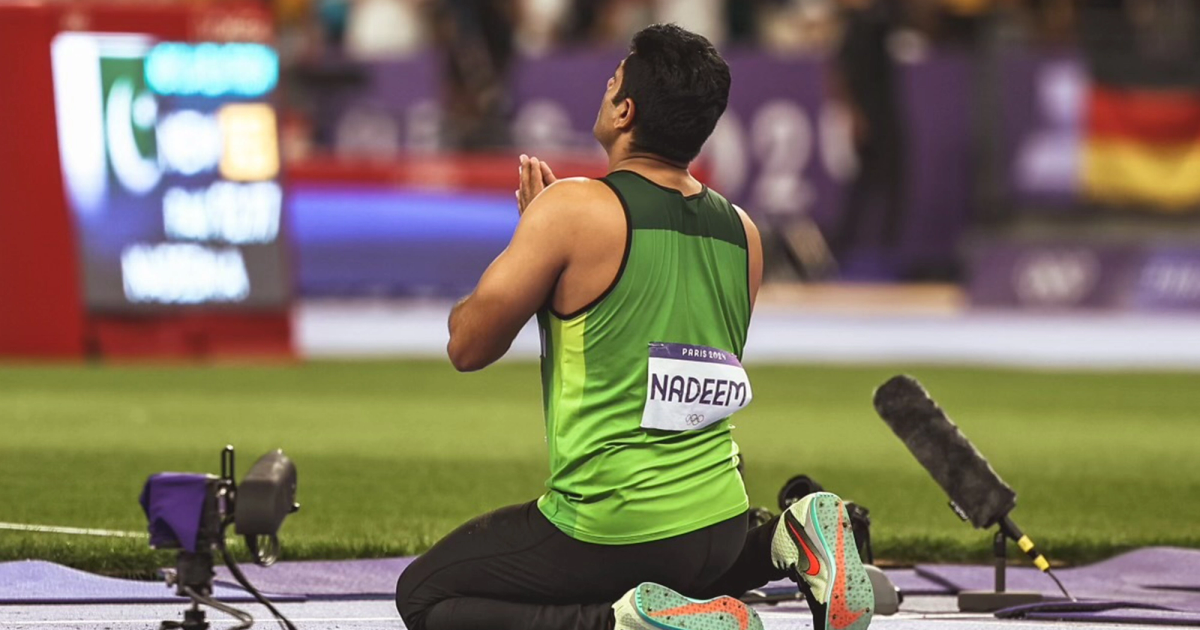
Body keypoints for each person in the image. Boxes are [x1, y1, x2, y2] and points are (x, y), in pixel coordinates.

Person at [395, 23, 874, 630]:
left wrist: (535, 234)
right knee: (678, 557)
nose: (604, 88)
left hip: (609, 526)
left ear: (625, 111)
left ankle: (621, 624)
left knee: (424, 596)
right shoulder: (743, 233)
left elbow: (467, 345)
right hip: (721, 522)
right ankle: (787, 536)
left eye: (613, 80)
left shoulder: (572, 209)